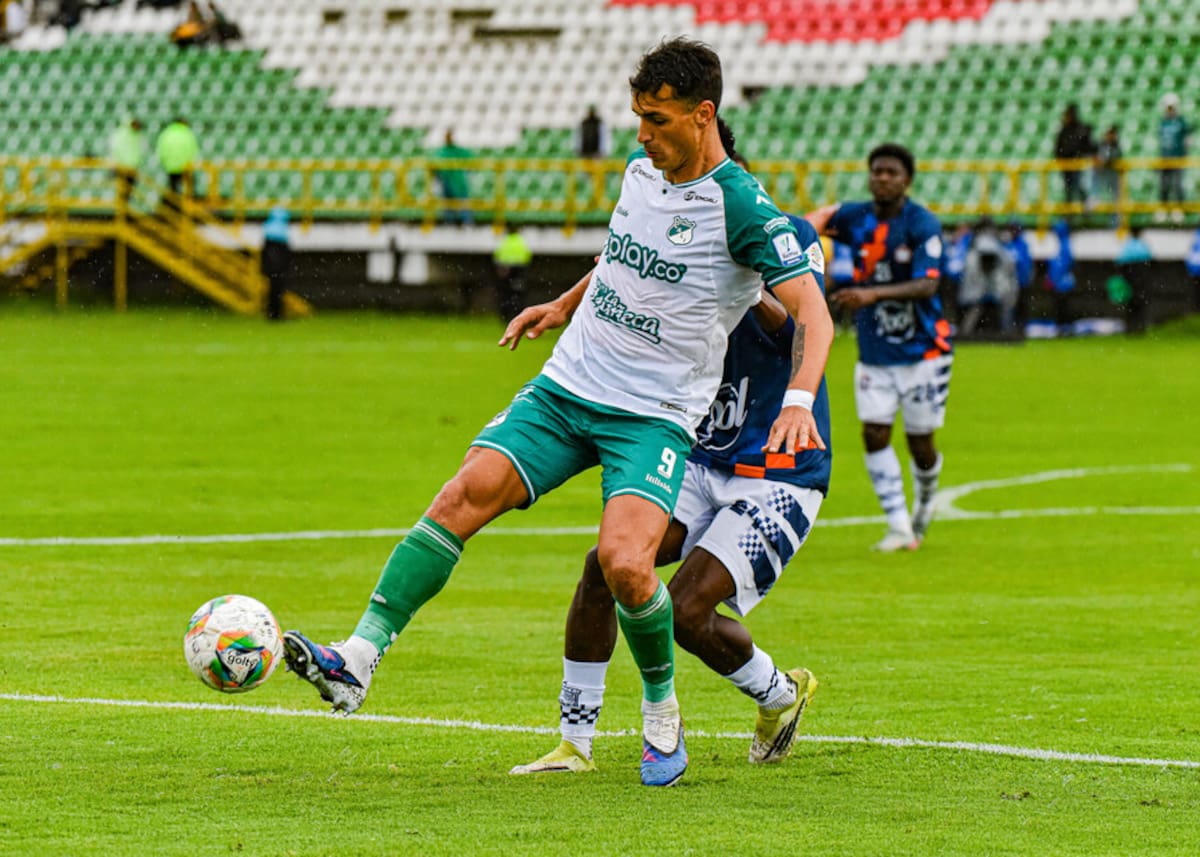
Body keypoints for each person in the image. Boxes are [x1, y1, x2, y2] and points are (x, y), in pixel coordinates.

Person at [280, 37, 833, 789]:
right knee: (460, 496)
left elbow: (814, 315)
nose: (641, 134)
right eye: (638, 116)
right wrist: (561, 303)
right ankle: (358, 659)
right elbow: (619, 256)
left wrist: (799, 400)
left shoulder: (743, 207)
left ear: (703, 115)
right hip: (568, 386)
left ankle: (663, 718)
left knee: (626, 566)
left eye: (658, 118)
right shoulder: (642, 173)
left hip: (652, 415)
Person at [512, 207, 831, 775]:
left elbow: (795, 329)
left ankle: (779, 694)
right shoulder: (670, 228)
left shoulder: (788, 238)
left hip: (779, 467)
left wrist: (742, 283)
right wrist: (571, 301)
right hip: (701, 451)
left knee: (685, 609)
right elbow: (622, 266)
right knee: (606, 567)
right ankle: (573, 744)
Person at [807, 143, 951, 552]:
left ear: (907, 180)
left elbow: (928, 284)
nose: (882, 178)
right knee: (873, 433)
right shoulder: (856, 217)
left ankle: (924, 500)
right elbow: (815, 220)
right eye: (877, 171)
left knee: (920, 441)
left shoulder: (922, 224)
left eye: (891, 172)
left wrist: (871, 296)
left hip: (924, 352)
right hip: (875, 354)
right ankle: (899, 525)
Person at [958, 218, 1018, 336]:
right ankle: (965, 335)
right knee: (976, 309)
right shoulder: (981, 244)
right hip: (981, 284)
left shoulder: (994, 245)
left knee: (1002, 309)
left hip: (993, 284)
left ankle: (1007, 334)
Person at [1054, 104, 1094, 209]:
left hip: (1079, 165)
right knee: (1069, 191)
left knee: (1080, 188)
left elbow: (1087, 147)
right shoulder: (1063, 130)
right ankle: (1069, 217)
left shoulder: (1080, 129)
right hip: (1067, 167)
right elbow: (1058, 149)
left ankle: (1085, 214)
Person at [1157, 93, 1190, 223]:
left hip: (1177, 158)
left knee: (1177, 185)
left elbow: (1186, 141)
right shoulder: (1162, 122)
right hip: (1165, 158)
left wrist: (1183, 156)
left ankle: (1178, 209)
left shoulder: (1181, 122)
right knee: (1164, 185)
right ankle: (1163, 209)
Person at [1114, 227, 1152, 335]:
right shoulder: (1143, 246)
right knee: (1140, 305)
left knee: (1129, 306)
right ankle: (1140, 328)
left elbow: (1120, 264)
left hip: (1129, 281)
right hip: (1140, 282)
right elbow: (1149, 263)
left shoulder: (1127, 246)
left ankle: (1129, 328)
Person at [491, 223, 532, 322]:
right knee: (518, 294)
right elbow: (527, 256)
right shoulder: (521, 241)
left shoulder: (505, 241)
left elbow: (496, 256)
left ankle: (505, 316)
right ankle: (518, 314)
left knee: (505, 294)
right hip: (519, 271)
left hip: (506, 271)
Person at [432, 130, 473, 225]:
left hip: (458, 182)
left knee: (462, 203)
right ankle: (449, 222)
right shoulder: (442, 152)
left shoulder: (457, 151)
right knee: (448, 204)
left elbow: (471, 160)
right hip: (447, 182)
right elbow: (434, 165)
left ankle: (467, 222)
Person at [155, 117, 199, 201]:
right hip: (185, 166)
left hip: (171, 166)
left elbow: (161, 150)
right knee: (189, 188)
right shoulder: (187, 133)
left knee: (173, 188)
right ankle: (189, 204)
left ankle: (173, 206)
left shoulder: (166, 133)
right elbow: (193, 150)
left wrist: (165, 162)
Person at [260, 207, 291, 322]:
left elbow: (265, 252)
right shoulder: (282, 230)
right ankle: (277, 313)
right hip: (279, 268)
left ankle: (271, 313)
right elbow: (285, 253)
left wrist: (265, 267)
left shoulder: (268, 228)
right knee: (278, 291)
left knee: (272, 291)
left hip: (271, 268)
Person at [108, 117, 146, 209]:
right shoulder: (122, 135)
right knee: (123, 190)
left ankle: (123, 211)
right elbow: (116, 150)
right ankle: (122, 211)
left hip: (131, 167)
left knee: (128, 190)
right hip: (123, 167)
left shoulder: (135, 135)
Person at [1093, 125, 1122, 227]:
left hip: (1113, 177)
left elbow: (1110, 158)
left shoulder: (1116, 146)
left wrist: (1103, 162)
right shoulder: (1102, 145)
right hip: (1103, 177)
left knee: (1116, 200)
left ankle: (1115, 224)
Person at [1186, 227, 1200, 311]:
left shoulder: (1196, 235)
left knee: (1196, 293)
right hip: (1195, 269)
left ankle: (1196, 308)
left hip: (1195, 270)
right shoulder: (1196, 235)